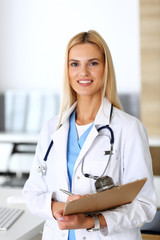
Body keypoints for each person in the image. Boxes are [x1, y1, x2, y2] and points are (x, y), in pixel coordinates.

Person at [23, 30, 157, 240]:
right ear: (67, 71)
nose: (83, 72)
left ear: (105, 69)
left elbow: (145, 204)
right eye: (74, 64)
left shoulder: (129, 128)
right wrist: (65, 208)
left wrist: (89, 221)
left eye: (92, 63)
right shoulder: (51, 128)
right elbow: (32, 193)